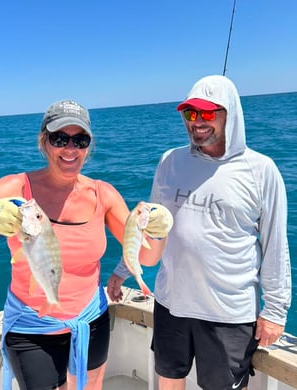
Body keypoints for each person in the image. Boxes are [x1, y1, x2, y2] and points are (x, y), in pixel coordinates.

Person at [0, 99, 170, 390]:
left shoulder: (102, 194)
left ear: (89, 146)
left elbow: (147, 258)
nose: (70, 149)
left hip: (91, 320)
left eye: (80, 140)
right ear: (44, 142)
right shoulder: (16, 188)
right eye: (60, 138)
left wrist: (159, 229)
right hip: (32, 325)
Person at [107, 75, 291, 390]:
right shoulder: (170, 162)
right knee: (168, 379)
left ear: (230, 113)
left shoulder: (261, 171)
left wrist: (274, 310)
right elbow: (148, 227)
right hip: (170, 304)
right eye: (191, 114)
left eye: (208, 113)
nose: (198, 122)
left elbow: (275, 244)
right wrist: (123, 270)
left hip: (228, 313)